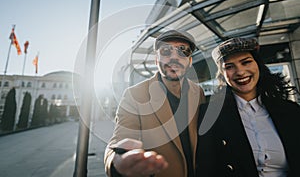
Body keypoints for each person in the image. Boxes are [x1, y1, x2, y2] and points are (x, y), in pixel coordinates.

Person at [104, 30, 206, 177]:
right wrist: (117, 162)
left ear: (189, 61)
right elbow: (120, 139)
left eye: (183, 51)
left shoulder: (198, 92)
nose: (174, 58)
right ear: (157, 60)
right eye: (166, 51)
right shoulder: (135, 95)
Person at [196, 37, 300, 177]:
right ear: (222, 74)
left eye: (246, 62)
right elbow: (206, 167)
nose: (240, 72)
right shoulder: (211, 115)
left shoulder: (291, 111)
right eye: (229, 66)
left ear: (258, 64)